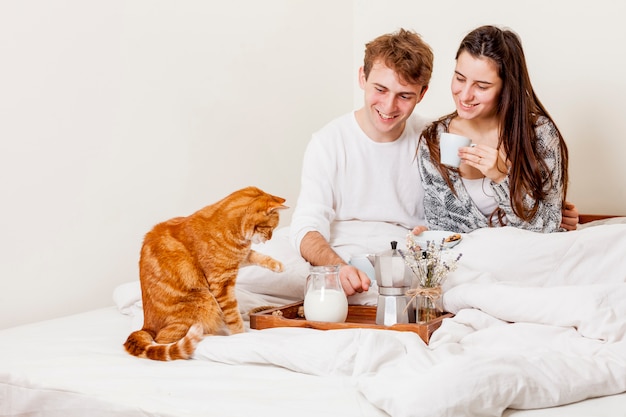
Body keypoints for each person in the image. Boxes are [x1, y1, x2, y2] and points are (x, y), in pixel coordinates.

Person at [289, 28, 579, 298]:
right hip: (391, 257)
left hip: (453, 254)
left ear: (422, 94)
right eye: (460, 78)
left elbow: (540, 226)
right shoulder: (431, 139)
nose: (389, 107)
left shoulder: (434, 136)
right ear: (362, 78)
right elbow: (455, 229)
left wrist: (521, 194)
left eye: (404, 96)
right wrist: (338, 268)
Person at [418, 25, 569, 233]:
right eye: (460, 78)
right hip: (471, 260)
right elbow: (441, 228)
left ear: (506, 87)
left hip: (531, 255)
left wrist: (500, 177)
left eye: (481, 86)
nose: (465, 95)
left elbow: (549, 224)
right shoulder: (435, 139)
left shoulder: (539, 134)